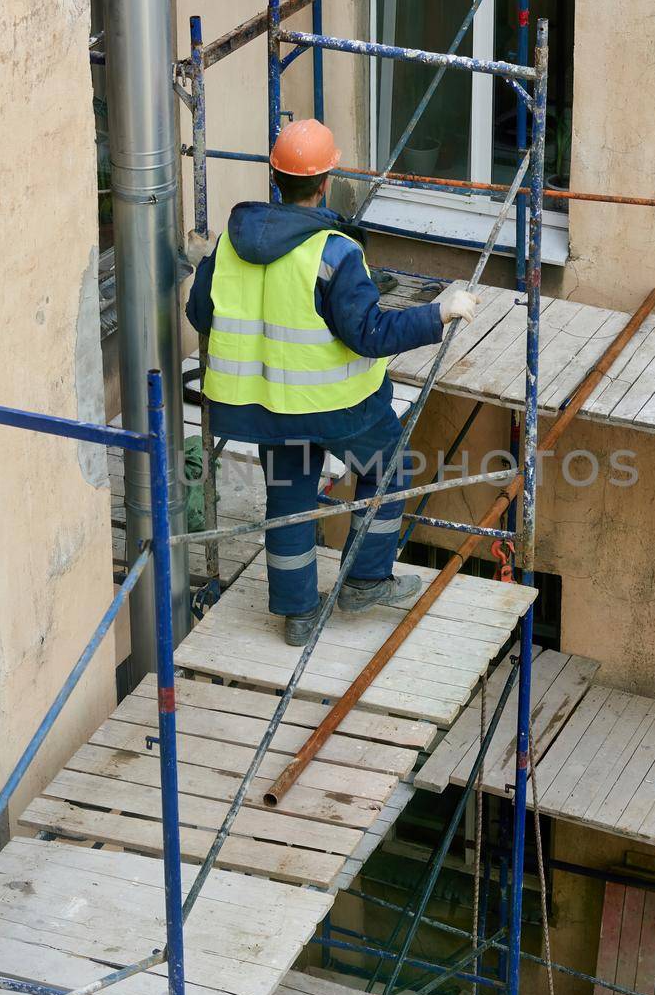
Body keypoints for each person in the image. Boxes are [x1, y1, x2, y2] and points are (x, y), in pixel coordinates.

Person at [185, 118, 478, 644]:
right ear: (325, 181)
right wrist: (440, 313)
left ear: (276, 177)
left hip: (261, 406)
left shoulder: (230, 244)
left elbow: (198, 313)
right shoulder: (334, 251)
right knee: (386, 467)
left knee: (290, 495)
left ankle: (298, 615)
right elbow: (370, 333)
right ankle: (364, 582)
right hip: (336, 405)